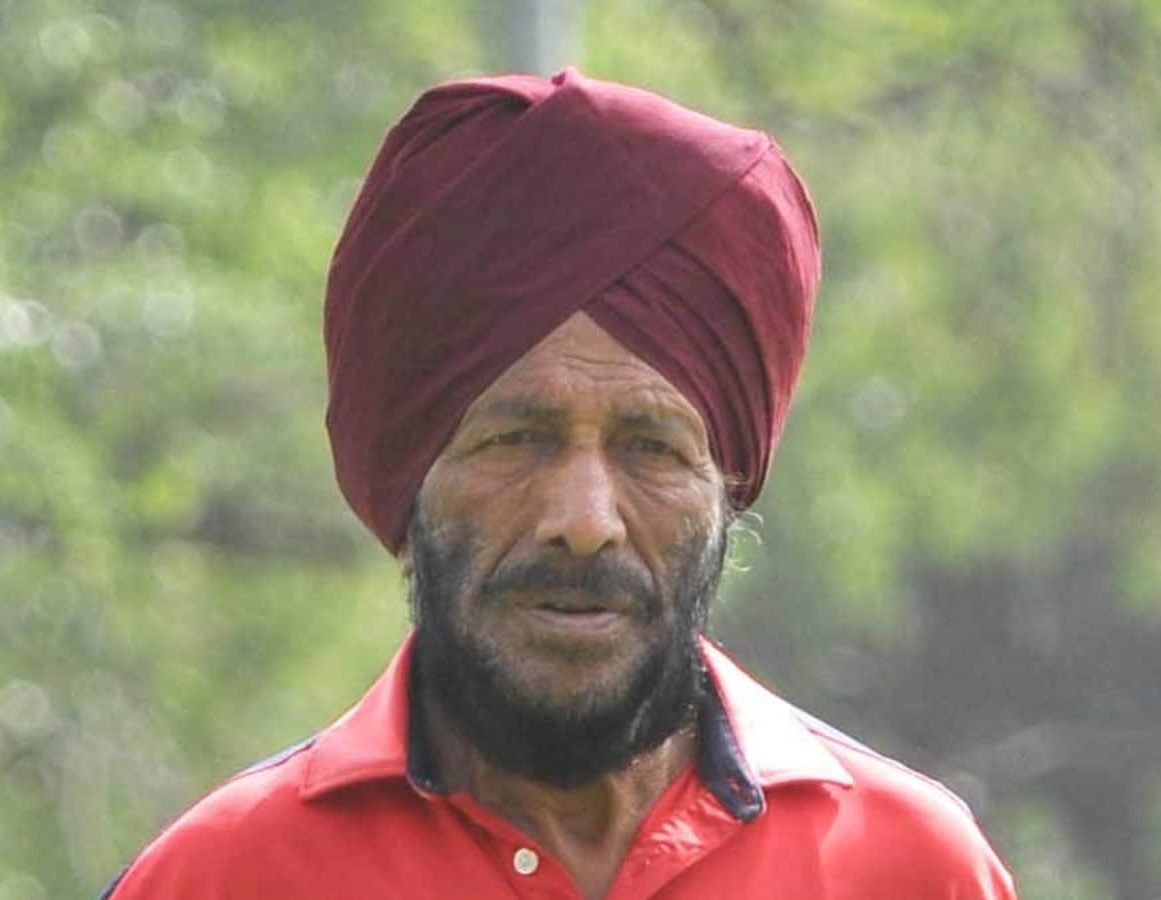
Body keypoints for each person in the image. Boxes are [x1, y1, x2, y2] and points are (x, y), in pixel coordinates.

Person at [101, 69, 1016, 899]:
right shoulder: (220, 879)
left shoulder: (910, 871)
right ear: (412, 475)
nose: (584, 521)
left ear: (726, 487)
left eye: (650, 447)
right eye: (516, 439)